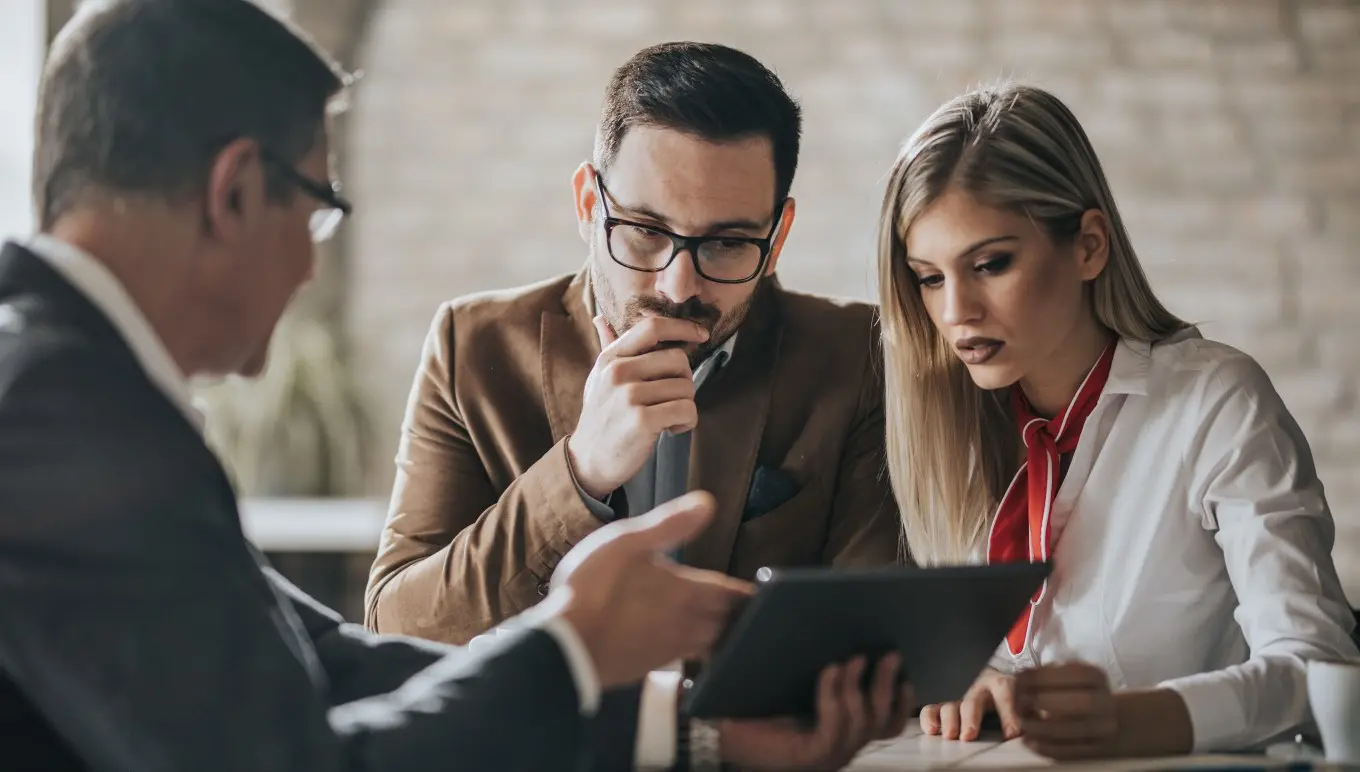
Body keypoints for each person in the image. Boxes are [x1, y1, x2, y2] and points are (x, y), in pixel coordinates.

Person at [0, 2, 910, 770]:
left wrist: (679, 731)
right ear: (237, 194)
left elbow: (326, 662)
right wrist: (575, 641)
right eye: (320, 210)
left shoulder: (67, 391)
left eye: (721, 243)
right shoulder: (55, 418)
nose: (311, 274)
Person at [363, 41, 903, 769]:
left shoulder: (857, 357)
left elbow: (867, 637)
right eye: (645, 231)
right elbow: (398, 626)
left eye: (728, 243)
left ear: (777, 238)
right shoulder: (474, 348)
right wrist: (580, 472)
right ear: (589, 204)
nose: (680, 282)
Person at [873, 82, 1360, 759]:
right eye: (929, 277)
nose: (957, 311)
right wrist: (974, 678)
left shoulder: (1214, 401)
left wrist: (1137, 719)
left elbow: (1317, 667)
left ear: (1090, 246)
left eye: (990, 264)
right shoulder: (950, 430)